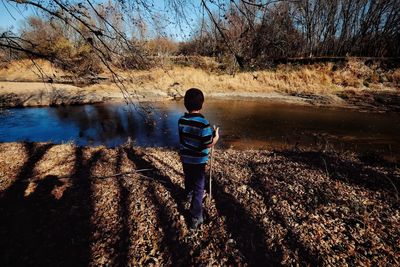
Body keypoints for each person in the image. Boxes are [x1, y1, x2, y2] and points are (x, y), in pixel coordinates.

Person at [178, 88, 219, 230]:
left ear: (185, 104)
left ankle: (187, 195)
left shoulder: (181, 120)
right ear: (201, 104)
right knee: (199, 188)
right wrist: (216, 137)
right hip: (198, 161)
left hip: (185, 158)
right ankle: (196, 216)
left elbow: (185, 139)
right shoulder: (204, 123)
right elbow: (208, 143)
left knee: (188, 178)